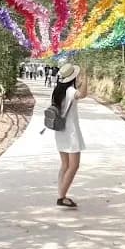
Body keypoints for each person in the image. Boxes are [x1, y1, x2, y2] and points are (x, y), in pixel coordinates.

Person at [51, 63, 84, 208]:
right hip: (71, 133)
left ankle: (61, 193)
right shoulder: (70, 91)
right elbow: (82, 95)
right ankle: (61, 197)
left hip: (60, 132)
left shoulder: (57, 90)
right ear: (73, 78)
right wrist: (87, 80)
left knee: (65, 165)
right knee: (74, 166)